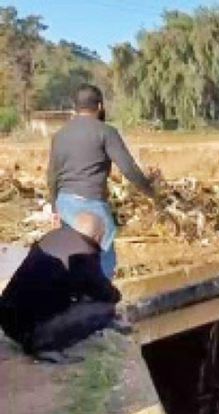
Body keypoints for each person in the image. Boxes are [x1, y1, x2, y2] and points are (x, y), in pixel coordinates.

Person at [47, 84, 157, 279]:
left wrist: (55, 209)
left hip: (64, 205)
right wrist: (151, 192)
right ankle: (101, 301)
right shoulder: (106, 132)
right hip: (91, 204)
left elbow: (52, 175)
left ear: (75, 108)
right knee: (105, 258)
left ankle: (73, 302)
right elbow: (128, 168)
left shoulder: (59, 135)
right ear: (99, 106)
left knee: (70, 259)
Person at [0, 213, 126, 364]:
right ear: (97, 235)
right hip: (30, 332)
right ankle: (44, 347)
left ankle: (41, 338)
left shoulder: (54, 238)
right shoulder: (82, 253)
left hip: (8, 321)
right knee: (105, 310)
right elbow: (103, 292)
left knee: (78, 296)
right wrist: (116, 297)